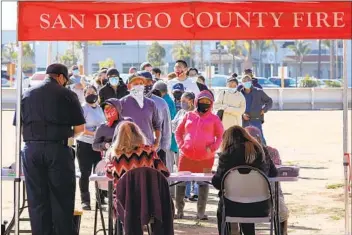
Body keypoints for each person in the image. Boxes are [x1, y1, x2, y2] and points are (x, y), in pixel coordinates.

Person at [16, 63, 85, 235]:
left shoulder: (26, 94)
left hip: (31, 150)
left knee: (37, 200)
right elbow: (80, 128)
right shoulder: (68, 94)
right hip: (58, 149)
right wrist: (69, 137)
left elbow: (18, 125)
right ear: (61, 77)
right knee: (62, 199)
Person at [212, 125, 277, 235]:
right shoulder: (261, 150)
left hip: (232, 207)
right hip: (260, 206)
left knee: (228, 204)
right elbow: (273, 173)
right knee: (247, 200)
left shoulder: (227, 155)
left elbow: (218, 183)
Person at [175, 90, 224, 220]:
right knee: (181, 183)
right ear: (197, 102)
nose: (205, 104)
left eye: (208, 102)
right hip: (185, 157)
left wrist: (212, 148)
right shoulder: (188, 115)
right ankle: (179, 211)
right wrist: (181, 145)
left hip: (206, 158)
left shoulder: (214, 119)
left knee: (203, 183)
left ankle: (200, 213)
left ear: (212, 104)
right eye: (202, 101)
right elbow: (178, 132)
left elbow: (220, 136)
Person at [105, 121, 170, 218]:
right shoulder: (150, 152)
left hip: (124, 203)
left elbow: (109, 174)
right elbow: (165, 173)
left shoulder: (115, 156)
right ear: (139, 134)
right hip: (149, 201)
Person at [245, 126, 289, 235]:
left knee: (281, 209)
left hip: (271, 194)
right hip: (246, 196)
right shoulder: (239, 153)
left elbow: (275, 174)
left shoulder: (271, 152)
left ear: (260, 139)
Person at [75, 85, 106, 210]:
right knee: (85, 173)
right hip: (84, 145)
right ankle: (85, 200)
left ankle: (100, 199)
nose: (91, 94)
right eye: (88, 93)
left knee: (99, 172)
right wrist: (95, 133)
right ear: (84, 94)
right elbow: (80, 129)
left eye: (93, 92)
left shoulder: (100, 108)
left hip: (99, 146)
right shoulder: (82, 108)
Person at [120, 74, 161, 149]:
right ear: (129, 86)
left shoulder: (151, 103)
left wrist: (156, 143)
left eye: (141, 83)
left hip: (148, 147)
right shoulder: (121, 103)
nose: (139, 86)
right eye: (135, 84)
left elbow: (157, 125)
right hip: (128, 148)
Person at [138, 72, 171, 165]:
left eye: (148, 81)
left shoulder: (161, 103)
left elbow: (166, 126)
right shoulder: (128, 102)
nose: (145, 84)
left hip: (157, 150)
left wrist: (164, 148)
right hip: (135, 152)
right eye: (141, 81)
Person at [171, 92, 198, 201]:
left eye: (184, 101)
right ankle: (186, 193)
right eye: (180, 101)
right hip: (181, 146)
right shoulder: (180, 113)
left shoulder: (197, 113)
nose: (181, 103)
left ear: (191, 101)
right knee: (183, 170)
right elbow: (173, 126)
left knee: (196, 170)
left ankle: (195, 192)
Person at [152, 81, 178, 175]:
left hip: (164, 141)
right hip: (164, 140)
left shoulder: (164, 102)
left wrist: (164, 145)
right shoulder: (166, 100)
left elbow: (167, 123)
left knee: (167, 168)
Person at [240, 75, 273, 145]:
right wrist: (242, 115)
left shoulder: (258, 92)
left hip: (256, 119)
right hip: (244, 121)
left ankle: (265, 153)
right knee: (245, 139)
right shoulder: (239, 94)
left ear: (251, 82)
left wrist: (264, 109)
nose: (246, 83)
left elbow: (269, 101)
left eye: (248, 81)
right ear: (242, 83)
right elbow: (237, 106)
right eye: (244, 81)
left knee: (259, 138)